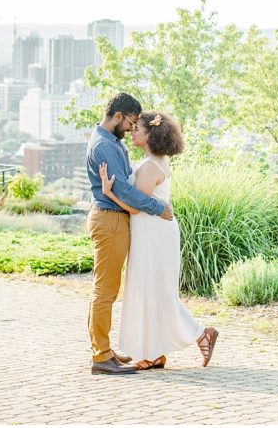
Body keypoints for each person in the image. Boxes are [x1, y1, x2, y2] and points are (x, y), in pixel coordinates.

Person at [100, 110, 219, 370]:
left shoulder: (151, 166)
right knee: (154, 292)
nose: (132, 132)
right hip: (153, 231)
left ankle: (199, 334)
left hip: (153, 232)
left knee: (155, 292)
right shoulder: (154, 162)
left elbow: (134, 207)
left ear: (151, 135)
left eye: (137, 130)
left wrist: (109, 193)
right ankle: (156, 352)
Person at [86, 93, 173, 376]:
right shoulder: (105, 146)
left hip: (115, 219)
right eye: (130, 123)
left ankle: (106, 350)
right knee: (105, 290)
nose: (130, 128)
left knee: (107, 289)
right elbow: (123, 190)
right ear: (119, 116)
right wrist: (157, 207)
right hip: (110, 219)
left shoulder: (110, 143)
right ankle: (100, 356)